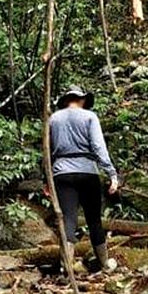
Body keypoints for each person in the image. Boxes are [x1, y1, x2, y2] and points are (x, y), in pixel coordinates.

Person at [48, 86, 120, 272]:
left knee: (68, 219)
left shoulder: (53, 119)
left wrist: (45, 179)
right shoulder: (89, 117)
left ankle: (66, 268)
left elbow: (47, 151)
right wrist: (111, 173)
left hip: (61, 173)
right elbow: (98, 147)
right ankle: (104, 264)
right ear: (81, 100)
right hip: (88, 171)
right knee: (94, 219)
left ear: (65, 100)